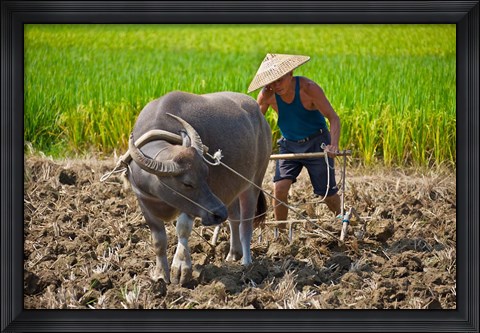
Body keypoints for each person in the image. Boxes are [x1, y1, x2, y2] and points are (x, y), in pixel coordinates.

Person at [247, 53, 342, 225]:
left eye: (280, 80)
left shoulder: (308, 88)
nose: (276, 86)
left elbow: (333, 118)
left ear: (290, 74)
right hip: (289, 144)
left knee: (327, 193)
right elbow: (253, 124)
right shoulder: (267, 95)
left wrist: (333, 145)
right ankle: (281, 232)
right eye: (272, 81)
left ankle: (341, 218)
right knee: (280, 188)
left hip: (316, 143)